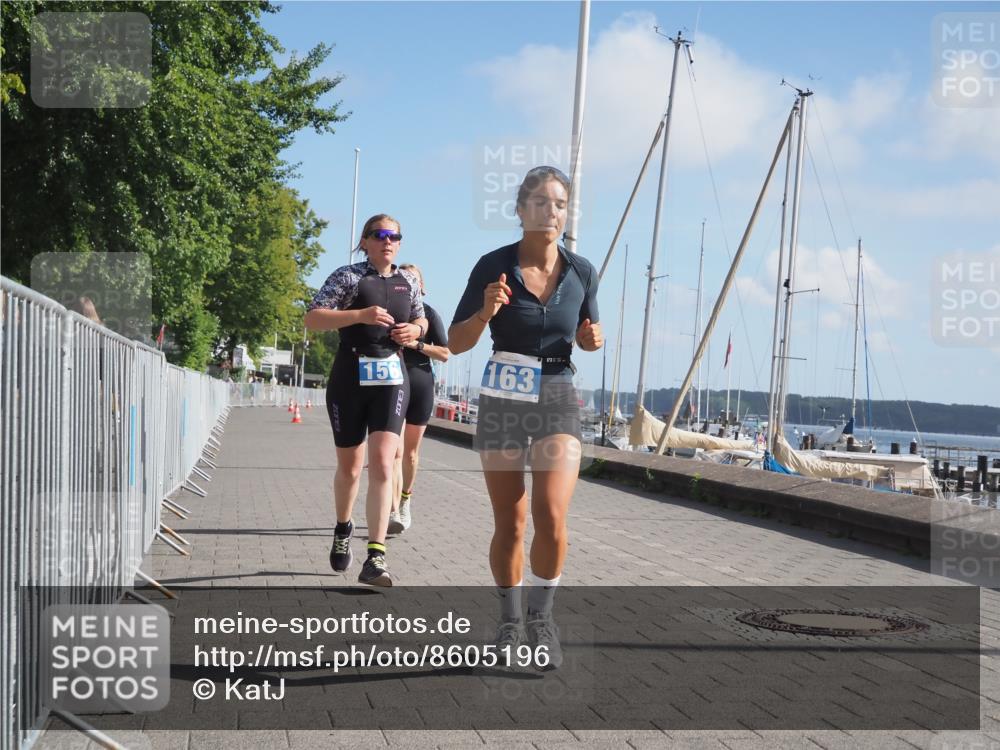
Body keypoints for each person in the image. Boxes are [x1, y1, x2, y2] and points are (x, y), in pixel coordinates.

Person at [448, 166, 602, 668]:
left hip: (558, 393)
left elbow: (585, 331)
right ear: (520, 210)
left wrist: (589, 339)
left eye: (559, 204)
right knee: (511, 522)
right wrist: (484, 313)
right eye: (540, 203)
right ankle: (510, 622)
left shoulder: (582, 272)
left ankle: (542, 619)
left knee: (552, 517)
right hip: (503, 395)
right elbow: (455, 342)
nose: (551, 212)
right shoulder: (492, 266)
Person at [304, 214, 427, 586]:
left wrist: (413, 330)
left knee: (384, 464)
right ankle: (343, 528)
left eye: (395, 236)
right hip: (350, 376)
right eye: (380, 235)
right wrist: (360, 315)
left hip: (392, 378)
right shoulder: (348, 277)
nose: (388, 241)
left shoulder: (407, 282)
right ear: (365, 241)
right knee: (351, 468)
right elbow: (312, 318)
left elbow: (422, 321)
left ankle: (376, 557)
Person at [387, 263, 450, 535]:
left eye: (414, 279)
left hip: (421, 382)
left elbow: (446, 353)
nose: (408, 282)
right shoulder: (390, 312)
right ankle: (390, 511)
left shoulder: (431, 315)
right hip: (392, 384)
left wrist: (417, 344)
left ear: (421, 287)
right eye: (403, 278)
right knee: (394, 452)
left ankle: (405, 499)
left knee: (410, 454)